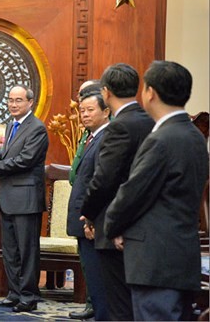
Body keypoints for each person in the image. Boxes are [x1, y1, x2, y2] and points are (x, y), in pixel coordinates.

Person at [104, 61, 209, 320]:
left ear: (150, 92)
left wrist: (112, 225)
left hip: (155, 259)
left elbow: (134, 192)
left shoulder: (162, 139)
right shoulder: (195, 135)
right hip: (182, 253)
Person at [80, 63, 154, 320]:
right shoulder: (150, 122)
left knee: (116, 305)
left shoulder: (119, 126)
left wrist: (88, 214)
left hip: (114, 225)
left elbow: (105, 179)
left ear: (106, 92)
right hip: (143, 226)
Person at [0, 85, 49, 313]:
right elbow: (11, 154)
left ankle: (29, 296)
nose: (13, 104)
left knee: (27, 251)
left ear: (30, 103)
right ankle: (14, 294)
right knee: (10, 251)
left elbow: (24, 160)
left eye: (18, 100)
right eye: (10, 100)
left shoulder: (37, 128)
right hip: (8, 197)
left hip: (26, 199)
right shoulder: (13, 125)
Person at [66, 89, 110, 321]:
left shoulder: (106, 138)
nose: (84, 115)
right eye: (82, 110)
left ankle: (101, 314)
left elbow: (100, 181)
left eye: (90, 110)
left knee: (98, 274)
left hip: (93, 220)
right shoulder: (90, 137)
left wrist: (90, 216)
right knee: (91, 272)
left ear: (106, 111)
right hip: (85, 217)